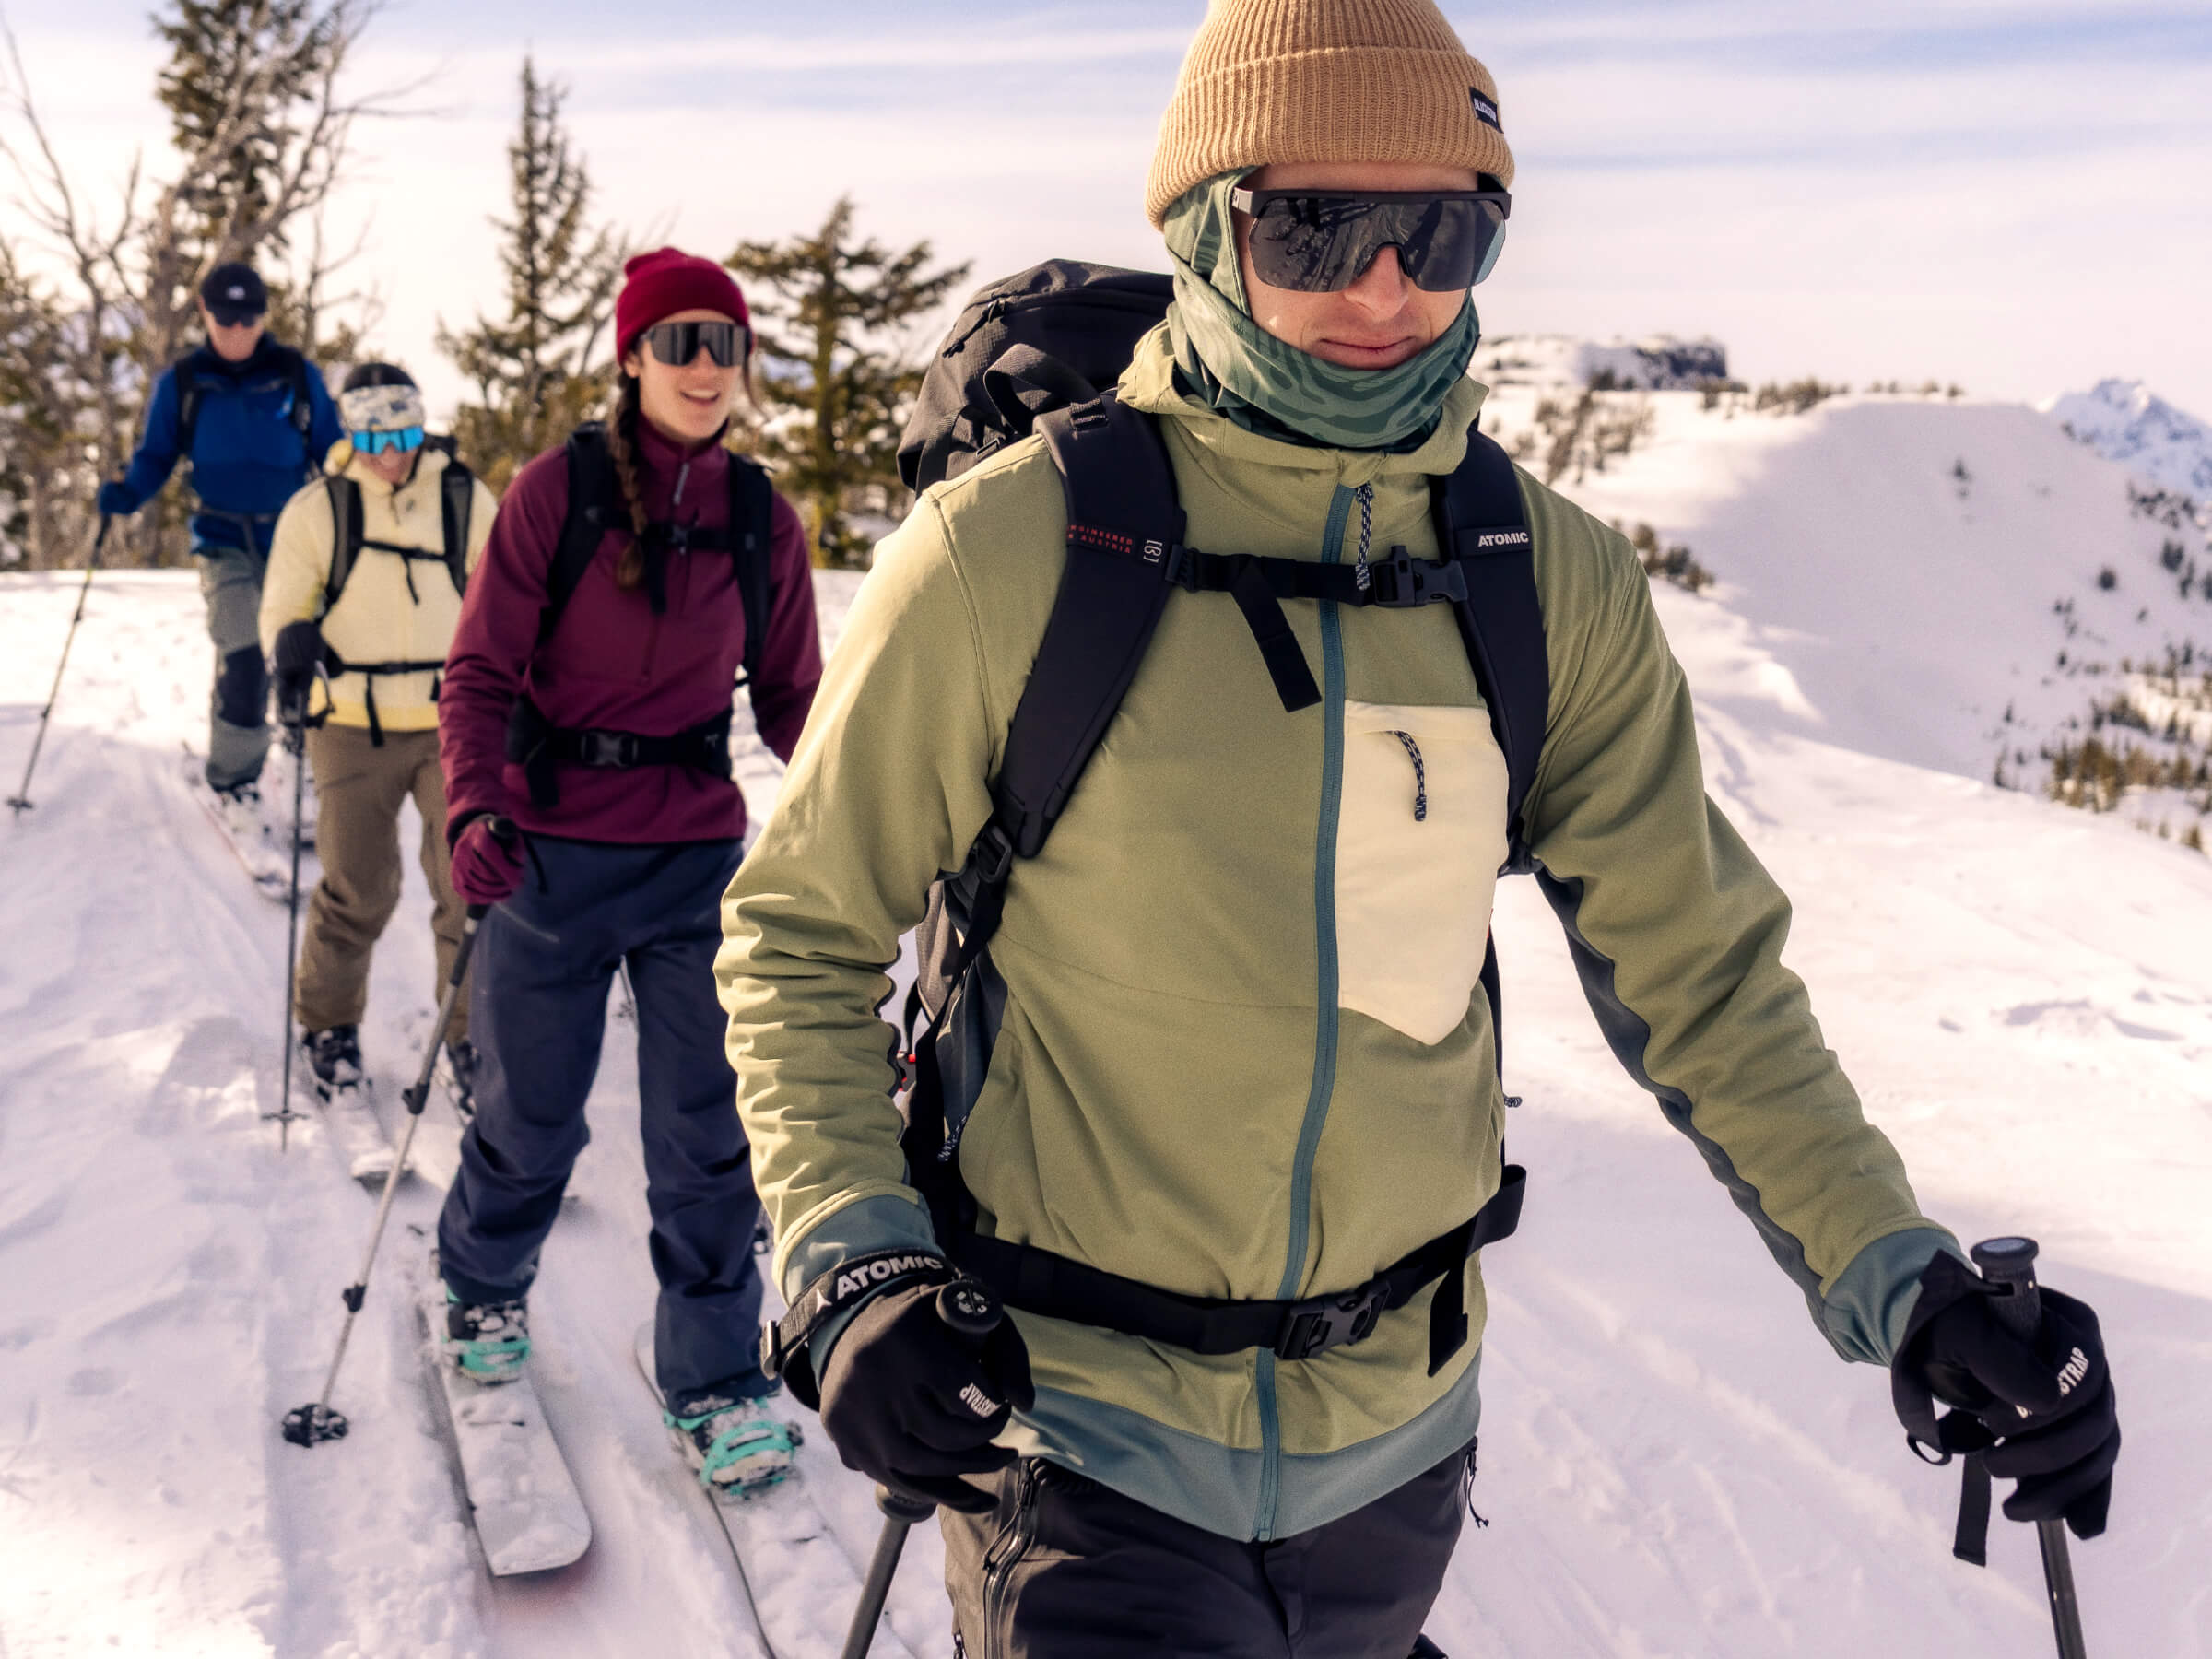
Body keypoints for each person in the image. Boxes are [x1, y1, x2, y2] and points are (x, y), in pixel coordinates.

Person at [714, 2, 2120, 1653]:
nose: (1386, 287)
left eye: (1443, 230)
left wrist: (1912, 1287)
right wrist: (855, 1263)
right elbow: (799, 933)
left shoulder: (1545, 581)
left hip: (1399, 1453)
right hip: (1071, 1437)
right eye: (1316, 224)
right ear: (1205, 230)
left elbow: (1708, 988)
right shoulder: (1016, 554)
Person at [435, 249, 822, 1496]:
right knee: (530, 1113)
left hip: (695, 862)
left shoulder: (762, 515)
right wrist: (475, 805)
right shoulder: (555, 497)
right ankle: (483, 1287)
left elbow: (800, 703)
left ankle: (713, 1378)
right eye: (681, 342)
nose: (707, 366)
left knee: (708, 1140)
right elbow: (483, 671)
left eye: (726, 342)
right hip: (546, 857)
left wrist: (878, 812)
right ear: (633, 358)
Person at [257, 362, 497, 1102]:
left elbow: (507, 597)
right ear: (351, 433)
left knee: (466, 888)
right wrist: (293, 646)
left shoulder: (464, 499)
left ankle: (467, 1035)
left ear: (420, 425)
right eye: (372, 435)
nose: (389, 453)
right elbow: (281, 608)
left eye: (402, 432)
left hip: (450, 725)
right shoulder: (317, 509)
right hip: (351, 726)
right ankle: (327, 1023)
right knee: (358, 886)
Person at [99, 262, 345, 809]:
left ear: (264, 317)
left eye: (250, 317)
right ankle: (235, 780)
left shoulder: (295, 375)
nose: (238, 329)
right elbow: (157, 454)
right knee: (244, 654)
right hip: (221, 535)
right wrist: (129, 492)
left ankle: (310, 758)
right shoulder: (184, 383)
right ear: (206, 312)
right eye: (227, 316)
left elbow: (333, 450)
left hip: (295, 539)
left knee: (303, 650)